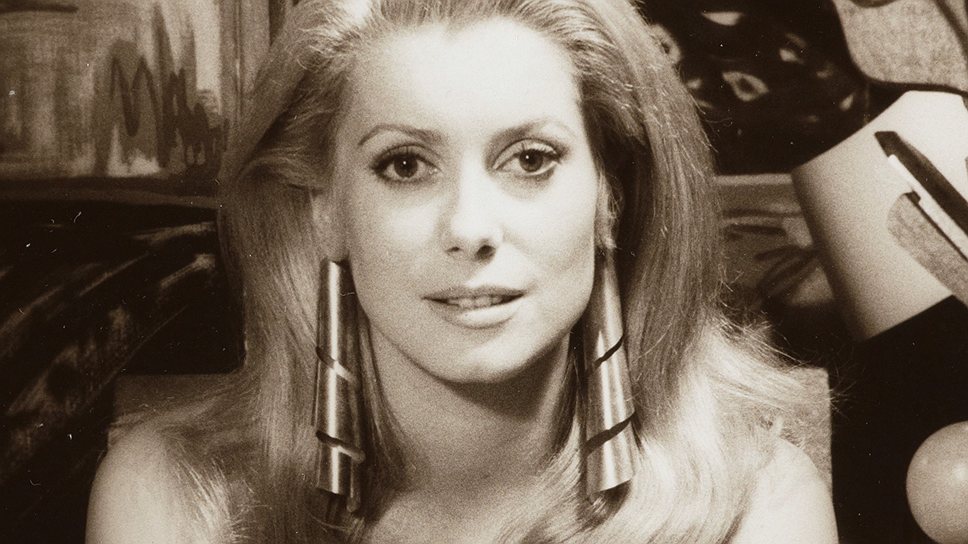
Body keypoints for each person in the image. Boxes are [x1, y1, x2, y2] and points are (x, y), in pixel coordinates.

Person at [86, 0, 837, 542]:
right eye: (405, 165)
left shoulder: (757, 507)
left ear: (610, 197)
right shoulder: (176, 503)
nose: (470, 228)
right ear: (326, 211)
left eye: (531, 160)